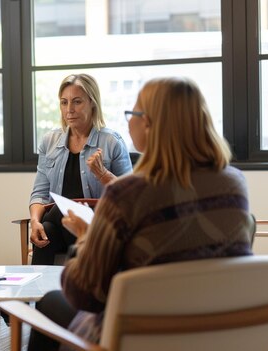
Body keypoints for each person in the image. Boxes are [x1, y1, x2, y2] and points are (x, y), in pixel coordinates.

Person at [28, 77, 255, 350]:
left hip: (140, 331)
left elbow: (85, 294)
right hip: (215, 330)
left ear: (148, 123)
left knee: (50, 302)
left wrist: (88, 237)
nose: (129, 121)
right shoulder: (234, 185)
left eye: (132, 114)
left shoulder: (127, 192)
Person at [29, 73, 132, 265]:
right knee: (47, 229)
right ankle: (40, 294)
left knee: (59, 215)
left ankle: (50, 293)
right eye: (64, 102)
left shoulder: (111, 142)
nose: (69, 110)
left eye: (77, 102)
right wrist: (34, 222)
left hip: (97, 224)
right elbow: (40, 194)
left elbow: (130, 197)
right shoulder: (49, 141)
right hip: (60, 224)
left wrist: (103, 173)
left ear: (92, 103)